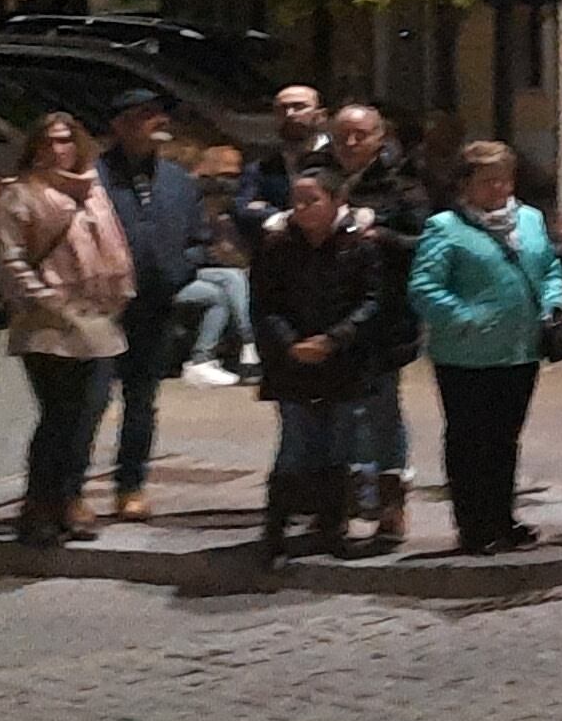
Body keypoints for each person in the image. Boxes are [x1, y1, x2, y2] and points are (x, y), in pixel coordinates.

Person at [407, 141, 562, 555]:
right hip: (465, 355)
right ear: (465, 185)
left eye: (505, 180)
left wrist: (553, 300)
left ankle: (502, 517)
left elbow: (548, 267)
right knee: (469, 440)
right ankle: (473, 526)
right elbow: (424, 286)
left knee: (505, 439)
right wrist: (463, 315)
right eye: (488, 181)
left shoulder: (529, 219)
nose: (499, 189)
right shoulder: (445, 227)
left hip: (519, 350)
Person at [0, 111, 134, 548]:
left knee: (87, 417)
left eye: (66, 140)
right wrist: (44, 299)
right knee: (58, 419)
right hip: (48, 324)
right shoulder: (20, 194)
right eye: (49, 141)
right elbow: (9, 259)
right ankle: (40, 508)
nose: (58, 150)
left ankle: (70, 499)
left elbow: (116, 246)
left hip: (99, 318)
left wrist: (119, 294)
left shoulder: (94, 191)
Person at [250, 167, 386, 562]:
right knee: (294, 446)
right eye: (298, 201)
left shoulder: (359, 245)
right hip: (292, 363)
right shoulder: (277, 246)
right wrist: (292, 344)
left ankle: (332, 527)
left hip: (342, 361)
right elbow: (265, 303)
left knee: (338, 446)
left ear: (334, 201)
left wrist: (334, 339)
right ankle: (275, 532)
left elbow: (372, 301)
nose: (304, 208)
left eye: (313, 200)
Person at [91, 88, 204, 522]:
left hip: (154, 307)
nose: (157, 123)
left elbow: (199, 241)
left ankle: (131, 485)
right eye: (143, 116)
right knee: (90, 401)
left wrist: (178, 271)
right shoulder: (93, 177)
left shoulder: (177, 180)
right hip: (99, 310)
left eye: (159, 116)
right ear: (119, 125)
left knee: (142, 401)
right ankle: (69, 489)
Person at [327, 103, 428, 540]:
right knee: (339, 412)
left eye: (361, 135)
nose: (351, 143)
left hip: (385, 318)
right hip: (330, 316)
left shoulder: (404, 186)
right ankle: (347, 500)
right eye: (343, 135)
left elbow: (426, 243)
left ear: (379, 137)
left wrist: (381, 236)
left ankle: (390, 503)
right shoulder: (322, 178)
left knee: (382, 409)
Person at [171, 137, 255, 384]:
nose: (230, 182)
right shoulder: (178, 201)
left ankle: (238, 348)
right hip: (166, 275)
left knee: (232, 279)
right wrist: (208, 254)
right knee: (222, 288)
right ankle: (237, 348)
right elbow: (174, 249)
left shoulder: (216, 207)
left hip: (191, 270)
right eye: (224, 174)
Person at [232, 83, 336, 252]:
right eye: (282, 109)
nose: (290, 114)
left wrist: (283, 217)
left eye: (299, 107)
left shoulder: (340, 159)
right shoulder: (261, 167)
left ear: (321, 115)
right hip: (281, 258)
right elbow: (242, 211)